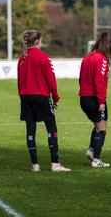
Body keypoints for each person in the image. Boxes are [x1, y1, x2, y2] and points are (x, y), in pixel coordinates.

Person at [17, 29, 70, 173]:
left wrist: (22, 97)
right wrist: (55, 98)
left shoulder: (22, 59)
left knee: (30, 130)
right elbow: (51, 81)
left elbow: (19, 81)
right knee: (51, 129)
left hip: (25, 97)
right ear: (37, 41)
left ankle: (35, 165)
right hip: (41, 96)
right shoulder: (44, 57)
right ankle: (55, 164)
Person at [79, 32, 111, 168]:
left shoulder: (87, 57)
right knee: (102, 129)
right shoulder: (101, 59)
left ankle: (91, 150)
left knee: (97, 126)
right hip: (94, 99)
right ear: (107, 44)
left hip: (84, 98)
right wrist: (101, 101)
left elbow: (81, 78)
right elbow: (99, 82)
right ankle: (96, 160)